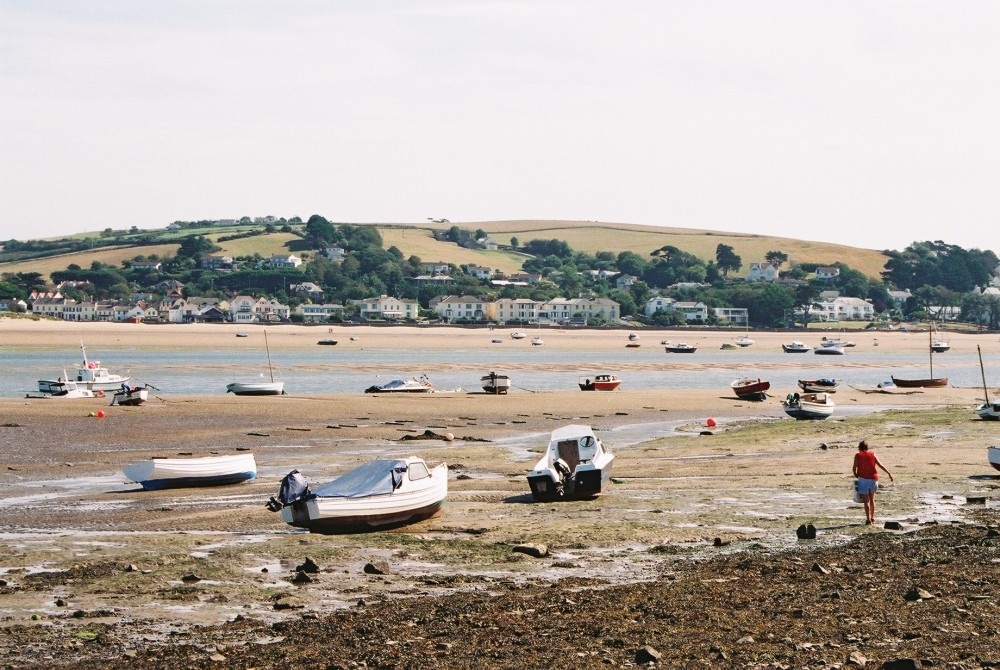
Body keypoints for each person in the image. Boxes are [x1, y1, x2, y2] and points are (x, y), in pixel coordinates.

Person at [852, 439, 893, 525]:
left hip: (863, 480)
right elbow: (880, 465)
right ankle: (873, 517)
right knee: (872, 499)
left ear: (859, 447)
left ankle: (868, 519)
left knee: (866, 501)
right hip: (873, 479)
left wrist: (856, 475)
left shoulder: (857, 456)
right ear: (867, 447)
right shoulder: (872, 454)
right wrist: (888, 473)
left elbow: (854, 468)